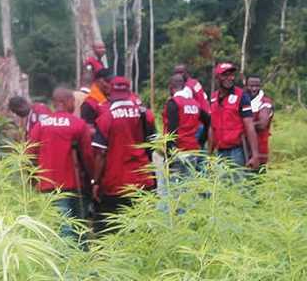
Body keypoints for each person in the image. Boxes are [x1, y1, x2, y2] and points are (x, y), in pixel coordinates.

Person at [91, 76, 156, 233]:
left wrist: (95, 182)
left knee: (113, 231)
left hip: (115, 183)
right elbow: (153, 145)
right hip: (143, 180)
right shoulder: (145, 115)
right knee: (141, 230)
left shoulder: (106, 119)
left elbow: (100, 154)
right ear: (129, 92)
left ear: (111, 94)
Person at [29, 88, 94, 241]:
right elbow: (87, 156)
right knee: (78, 226)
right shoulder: (78, 124)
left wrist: (32, 180)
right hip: (74, 183)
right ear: (65, 102)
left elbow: (30, 154)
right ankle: (79, 259)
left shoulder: (40, 125)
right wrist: (93, 180)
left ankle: (65, 259)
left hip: (48, 185)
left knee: (61, 227)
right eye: (73, 101)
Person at [209, 63, 259, 171]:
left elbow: (249, 126)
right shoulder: (213, 98)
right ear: (218, 78)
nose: (229, 78)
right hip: (219, 152)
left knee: (237, 185)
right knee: (221, 185)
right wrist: (209, 155)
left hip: (237, 151)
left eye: (231, 75)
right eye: (225, 75)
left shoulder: (242, 96)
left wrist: (255, 155)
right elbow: (212, 127)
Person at [162, 74, 210, 180]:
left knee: (175, 189)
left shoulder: (173, 103)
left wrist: (169, 155)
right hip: (193, 150)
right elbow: (208, 121)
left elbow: (172, 131)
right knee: (189, 185)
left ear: (171, 87)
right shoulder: (194, 104)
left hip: (178, 152)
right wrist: (201, 140)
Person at [245, 75, 274, 167]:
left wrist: (242, 126)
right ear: (246, 86)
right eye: (251, 86)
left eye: (257, 86)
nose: (254, 89)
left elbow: (262, 124)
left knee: (257, 177)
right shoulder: (243, 101)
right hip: (243, 147)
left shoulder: (265, 103)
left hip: (260, 148)